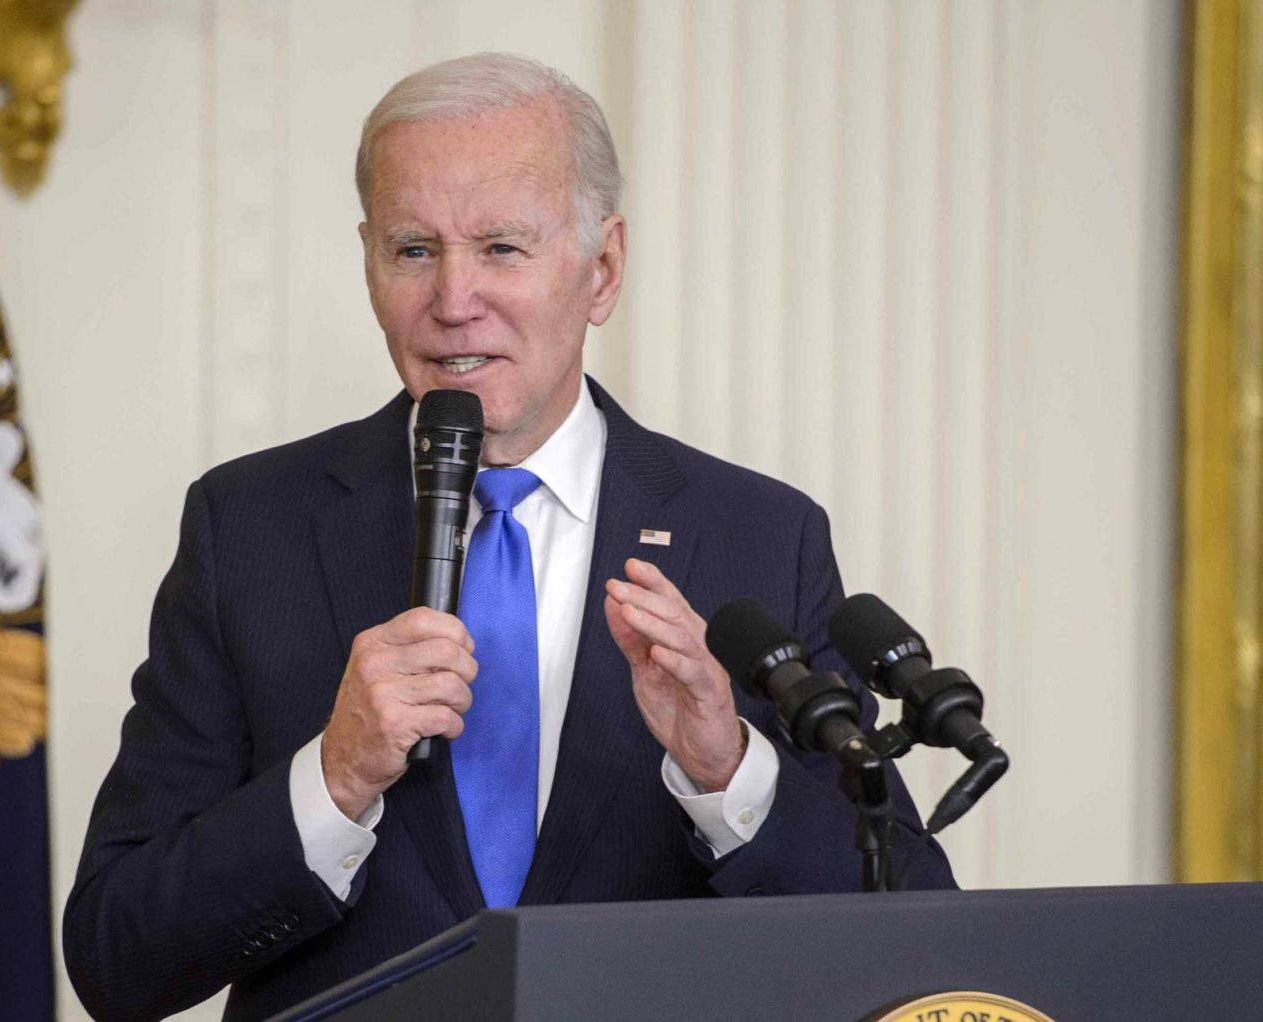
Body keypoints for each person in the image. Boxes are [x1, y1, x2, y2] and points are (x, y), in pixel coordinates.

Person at [63, 52, 954, 1022]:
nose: (452, 299)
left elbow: (911, 929)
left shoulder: (754, 535)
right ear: (368, 260)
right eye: (413, 249)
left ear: (601, 268)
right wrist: (333, 776)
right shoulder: (250, 526)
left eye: (501, 247)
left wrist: (727, 768)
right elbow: (117, 955)